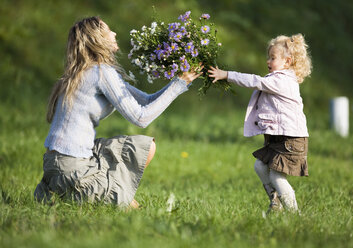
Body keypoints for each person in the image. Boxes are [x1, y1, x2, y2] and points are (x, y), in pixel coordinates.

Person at [34, 16, 202, 209]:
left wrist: (180, 82)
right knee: (132, 206)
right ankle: (80, 193)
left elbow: (146, 100)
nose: (114, 34)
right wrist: (180, 83)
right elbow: (141, 118)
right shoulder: (101, 72)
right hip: (72, 167)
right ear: (98, 39)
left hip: (55, 164)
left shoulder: (85, 71)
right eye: (109, 31)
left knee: (142, 146)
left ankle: (68, 191)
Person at [208, 34, 312, 213]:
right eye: (268, 57)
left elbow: (255, 81)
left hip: (291, 140)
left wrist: (226, 75)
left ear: (287, 62)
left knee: (277, 176)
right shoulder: (279, 78)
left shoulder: (282, 81)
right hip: (278, 138)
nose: (268, 61)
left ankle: (295, 214)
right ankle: (275, 201)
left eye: (273, 58)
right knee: (259, 166)